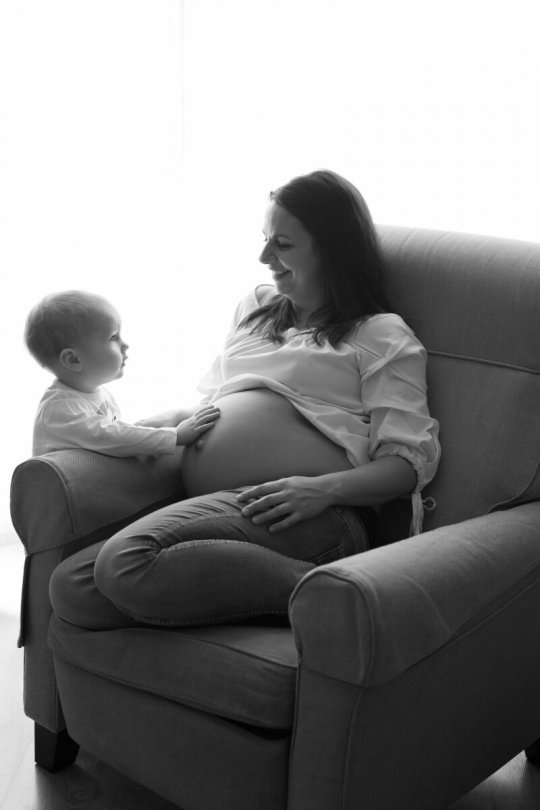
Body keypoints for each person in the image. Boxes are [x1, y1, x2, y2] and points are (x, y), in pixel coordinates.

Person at [50, 169, 441, 630]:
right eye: (265, 239)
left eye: (283, 244)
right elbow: (215, 402)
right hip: (223, 504)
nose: (264, 257)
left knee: (123, 563)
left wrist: (322, 489)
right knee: (74, 586)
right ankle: (269, 600)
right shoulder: (255, 308)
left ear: (333, 249)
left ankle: (345, 598)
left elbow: (408, 464)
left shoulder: (380, 334)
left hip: (311, 513)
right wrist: (131, 430)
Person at [25, 290, 220, 456]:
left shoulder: (96, 393)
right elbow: (110, 437)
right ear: (73, 360)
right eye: (113, 338)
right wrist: (174, 436)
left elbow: (117, 435)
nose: (125, 345)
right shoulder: (59, 410)